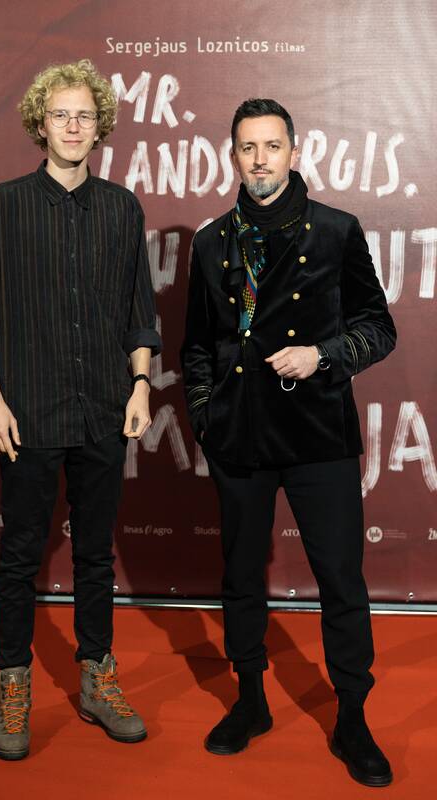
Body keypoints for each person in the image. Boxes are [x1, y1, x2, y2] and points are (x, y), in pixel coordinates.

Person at [181, 98, 396, 787]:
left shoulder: (335, 231)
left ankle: (352, 715)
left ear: (295, 153)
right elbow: (197, 348)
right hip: (239, 436)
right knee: (242, 575)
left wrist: (323, 356)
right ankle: (250, 699)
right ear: (233, 156)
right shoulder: (213, 242)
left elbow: (379, 327)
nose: (261, 159)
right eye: (248, 147)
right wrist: (207, 416)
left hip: (318, 433)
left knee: (341, 579)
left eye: (272, 146)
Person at [0, 60, 161, 760]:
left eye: (85, 115)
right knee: (20, 554)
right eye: (60, 115)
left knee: (95, 555)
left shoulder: (122, 209)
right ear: (39, 125)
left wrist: (141, 385)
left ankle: (97, 678)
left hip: (104, 409)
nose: (73, 127)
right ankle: (13, 684)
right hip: (26, 413)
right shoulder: (2, 206)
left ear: (100, 125)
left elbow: (139, 311)